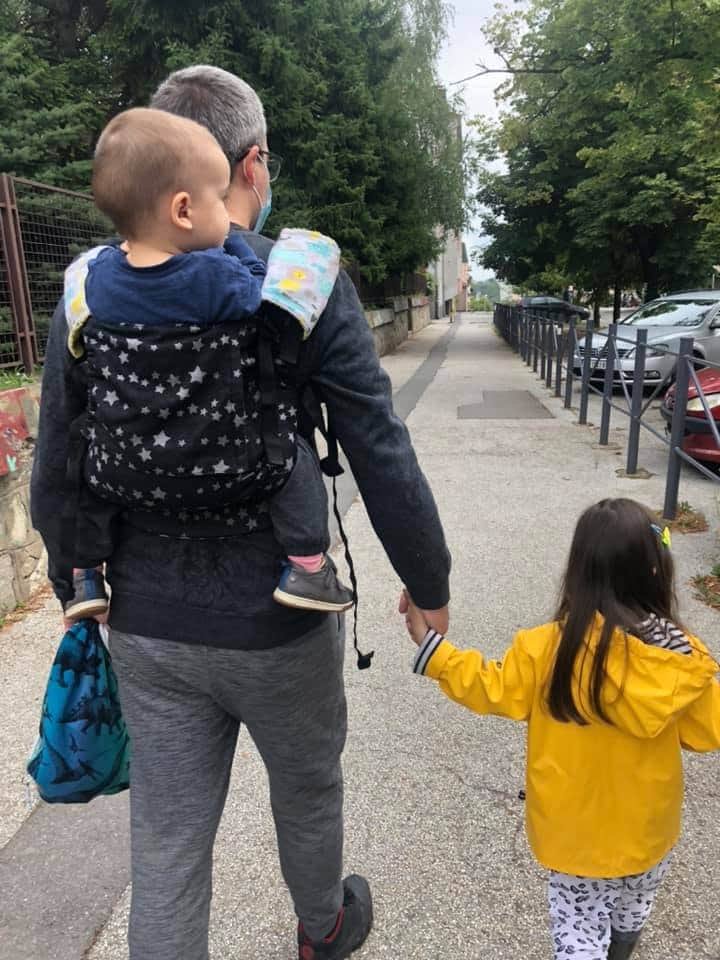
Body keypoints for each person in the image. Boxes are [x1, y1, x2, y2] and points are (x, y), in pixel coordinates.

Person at [31, 64, 451, 960]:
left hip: (147, 622)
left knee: (167, 839)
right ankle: (323, 929)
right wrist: (429, 583)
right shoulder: (298, 276)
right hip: (281, 620)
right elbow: (378, 447)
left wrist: (78, 583)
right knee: (307, 789)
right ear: (250, 164)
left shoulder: (88, 291)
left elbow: (58, 458)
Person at [61, 106, 352, 622]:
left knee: (89, 461)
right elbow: (259, 289)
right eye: (219, 199)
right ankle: (307, 566)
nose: (227, 211)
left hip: (129, 471)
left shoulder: (97, 280)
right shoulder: (217, 276)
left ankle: (85, 575)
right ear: (183, 211)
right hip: (233, 466)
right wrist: (237, 244)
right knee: (295, 458)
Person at [403, 498, 720, 960]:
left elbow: (490, 687)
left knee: (579, 929)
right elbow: (705, 733)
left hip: (576, 840)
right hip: (650, 831)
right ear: (657, 572)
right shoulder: (680, 657)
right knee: (633, 904)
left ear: (579, 572)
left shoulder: (546, 649)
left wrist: (435, 651)